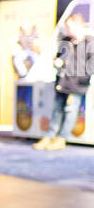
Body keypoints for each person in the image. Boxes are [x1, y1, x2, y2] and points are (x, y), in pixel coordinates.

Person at [34, 11, 92, 150]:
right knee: (57, 110)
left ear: (78, 26)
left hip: (77, 84)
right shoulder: (65, 41)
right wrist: (57, 62)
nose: (67, 30)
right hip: (62, 82)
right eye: (66, 27)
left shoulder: (90, 42)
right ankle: (50, 136)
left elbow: (91, 65)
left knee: (70, 111)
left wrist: (81, 76)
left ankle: (62, 139)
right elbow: (58, 58)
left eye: (70, 27)